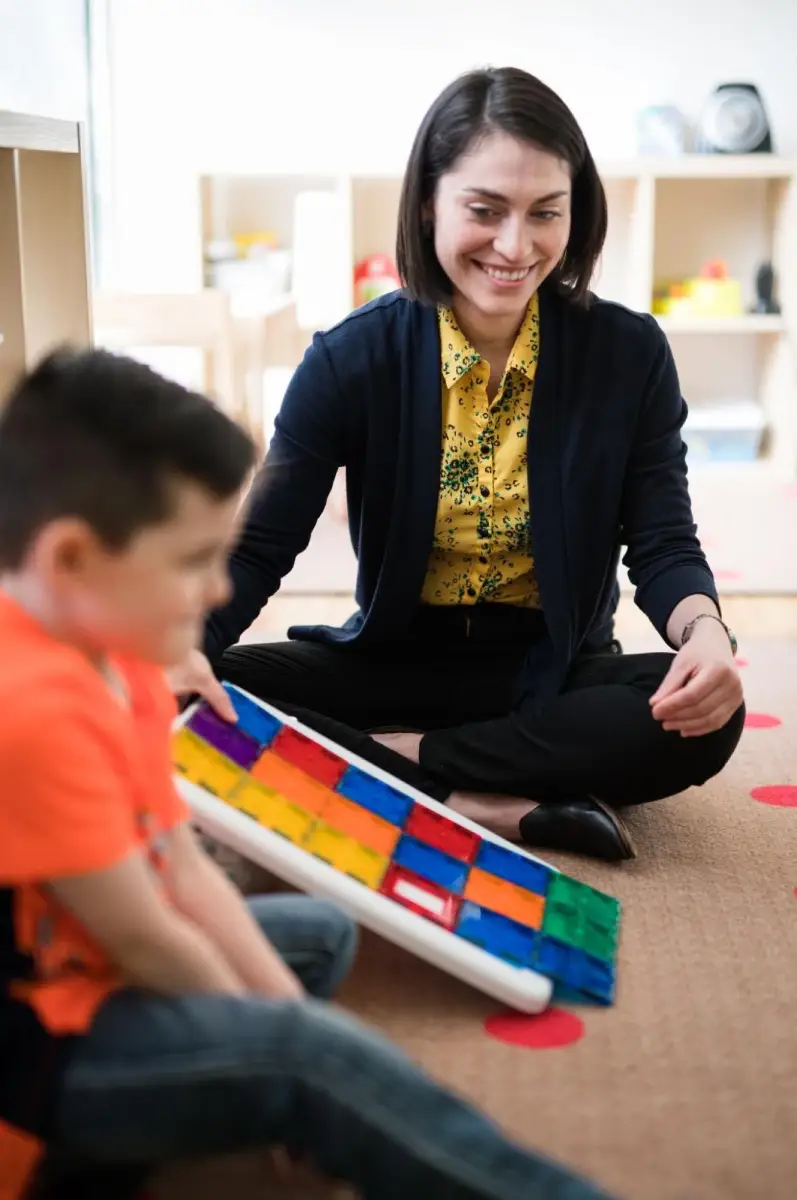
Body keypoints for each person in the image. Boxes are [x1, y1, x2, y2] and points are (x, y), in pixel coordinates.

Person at [0, 348, 613, 1200]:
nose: (217, 590)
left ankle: (152, 1133)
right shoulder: (28, 710)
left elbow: (177, 864)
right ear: (69, 560)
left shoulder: (123, 653)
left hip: (97, 972)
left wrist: (269, 1017)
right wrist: (281, 1055)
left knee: (317, 939)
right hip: (39, 1053)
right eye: (191, 561)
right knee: (307, 1056)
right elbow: (144, 934)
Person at [171, 67, 745, 863]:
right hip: (392, 663)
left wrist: (706, 636)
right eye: (484, 211)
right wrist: (180, 654)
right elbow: (263, 547)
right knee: (198, 689)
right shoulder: (349, 359)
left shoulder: (628, 352)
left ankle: (401, 766)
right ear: (426, 206)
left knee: (704, 715)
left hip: (551, 671)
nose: (516, 246)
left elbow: (662, 541)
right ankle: (488, 803)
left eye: (545, 213)